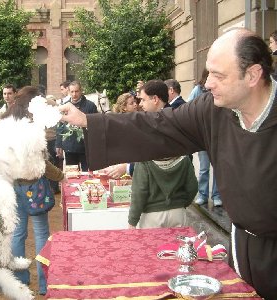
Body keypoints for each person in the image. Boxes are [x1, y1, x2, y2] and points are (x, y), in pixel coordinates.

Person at [59, 28, 277, 299]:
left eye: (218, 76)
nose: (207, 83)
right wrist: (88, 121)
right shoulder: (213, 108)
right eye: (208, 73)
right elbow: (160, 126)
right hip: (242, 248)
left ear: (253, 75)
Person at [3, 86, 64, 296]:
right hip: (33, 185)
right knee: (41, 234)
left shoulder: (5, 123)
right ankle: (44, 283)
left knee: (18, 235)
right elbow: (43, 164)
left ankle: (21, 281)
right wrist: (62, 176)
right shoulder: (33, 129)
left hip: (13, 185)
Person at [129, 80, 197, 229]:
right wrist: (179, 204)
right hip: (178, 212)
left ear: (155, 99)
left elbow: (140, 190)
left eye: (143, 99)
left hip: (154, 215)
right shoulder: (174, 120)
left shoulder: (164, 123)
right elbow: (191, 186)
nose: (140, 104)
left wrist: (132, 221)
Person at [187, 69, 222, 207]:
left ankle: (217, 196)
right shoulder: (198, 90)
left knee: (218, 168)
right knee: (204, 168)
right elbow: (189, 108)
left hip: (218, 135)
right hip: (203, 136)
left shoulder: (221, 89)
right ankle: (202, 194)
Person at [55, 81, 98, 171]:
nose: (74, 94)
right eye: (72, 92)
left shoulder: (90, 106)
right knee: (72, 175)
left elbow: (95, 126)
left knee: (88, 173)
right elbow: (60, 126)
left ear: (81, 91)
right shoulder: (64, 106)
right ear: (68, 92)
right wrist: (58, 144)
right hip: (69, 146)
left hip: (85, 147)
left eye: (77, 91)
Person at [103, 92, 138, 178]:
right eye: (131, 103)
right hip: (122, 161)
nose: (135, 104)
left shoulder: (139, 118)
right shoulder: (118, 122)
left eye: (135, 102)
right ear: (124, 108)